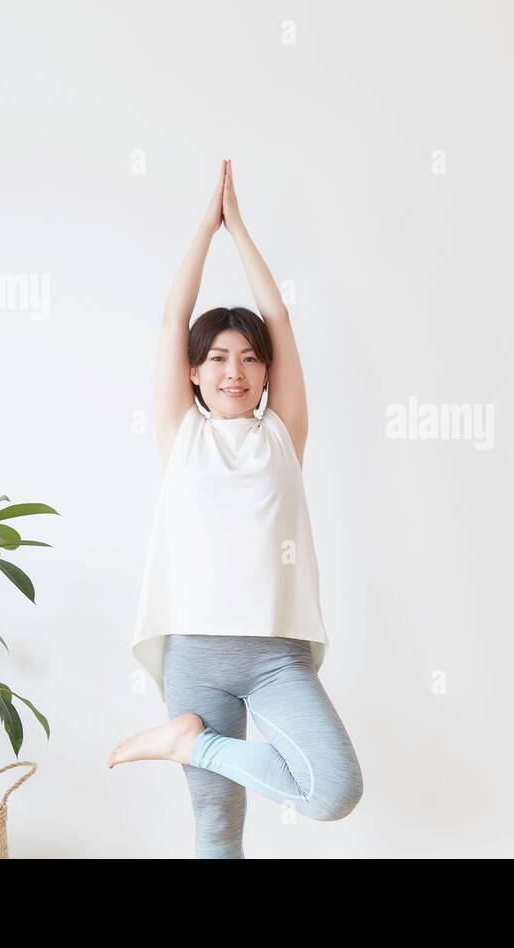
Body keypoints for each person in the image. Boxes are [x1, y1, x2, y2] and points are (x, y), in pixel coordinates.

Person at [108, 159, 363, 858]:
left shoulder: (284, 435)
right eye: (217, 358)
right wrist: (204, 228)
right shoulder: (180, 435)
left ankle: (191, 744)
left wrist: (240, 231)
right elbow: (172, 319)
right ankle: (194, 743)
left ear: (267, 373)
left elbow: (278, 315)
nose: (234, 371)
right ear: (193, 372)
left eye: (250, 359)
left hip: (276, 657)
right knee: (218, 828)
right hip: (196, 654)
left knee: (333, 788)